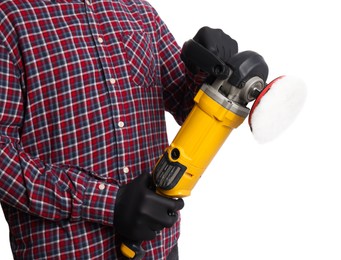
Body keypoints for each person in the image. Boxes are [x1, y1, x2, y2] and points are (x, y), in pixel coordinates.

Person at [0, 0, 237, 259]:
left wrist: (205, 73)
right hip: (70, 251)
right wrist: (107, 203)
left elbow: (185, 105)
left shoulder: (139, 12)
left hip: (158, 248)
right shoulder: (10, 18)